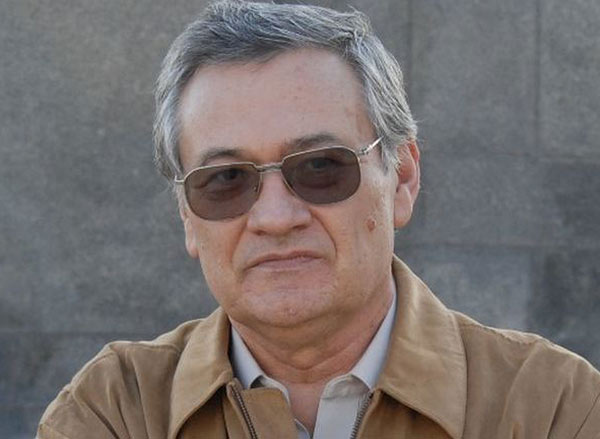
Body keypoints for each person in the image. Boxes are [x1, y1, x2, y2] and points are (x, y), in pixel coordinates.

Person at [38, 1, 600, 438]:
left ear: (402, 178)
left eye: (320, 167)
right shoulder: (116, 411)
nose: (275, 217)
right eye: (227, 179)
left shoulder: (553, 407)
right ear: (187, 214)